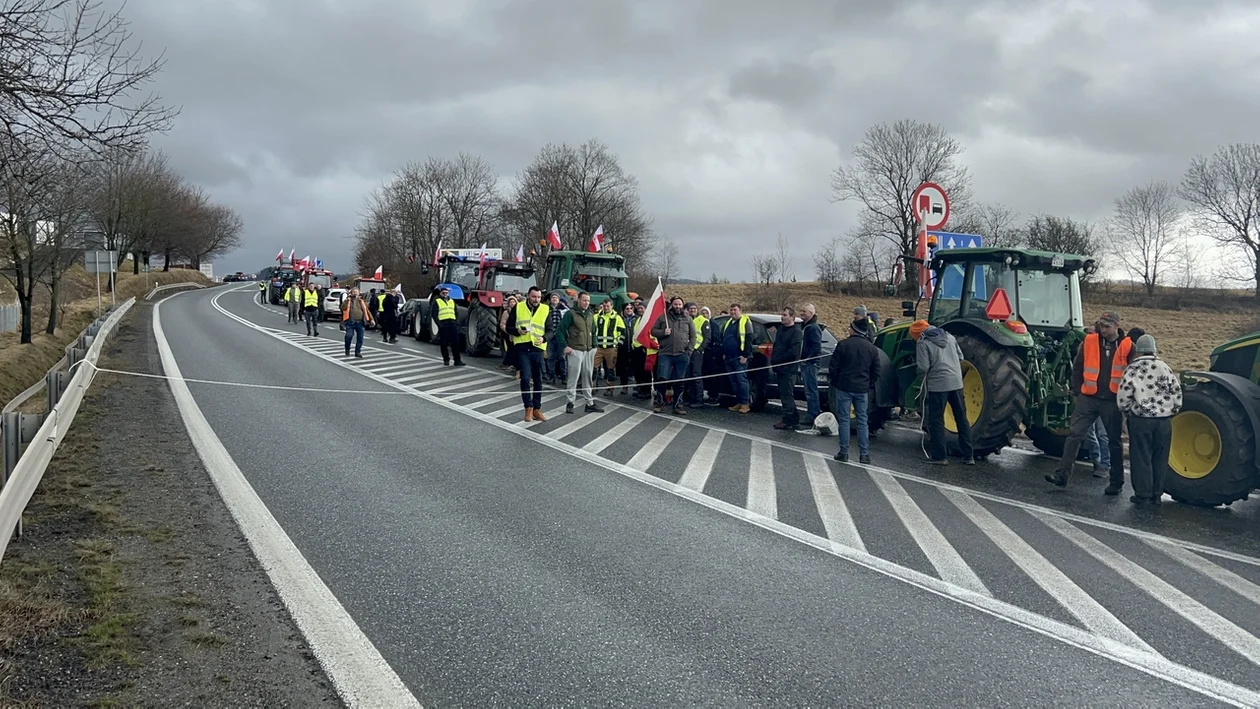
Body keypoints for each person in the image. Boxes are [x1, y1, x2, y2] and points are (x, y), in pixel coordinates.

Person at [1045, 311, 1131, 493]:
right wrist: (1078, 390)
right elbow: (1078, 367)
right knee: (1074, 435)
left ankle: (1116, 482)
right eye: (1102, 325)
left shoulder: (1127, 346)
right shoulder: (1090, 342)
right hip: (1089, 398)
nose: (1104, 330)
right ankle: (1062, 475)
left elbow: (1132, 374)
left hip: (1112, 400)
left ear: (1117, 326)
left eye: (1107, 326)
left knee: (1114, 441)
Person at [1117, 334, 1181, 506]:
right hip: (1163, 421)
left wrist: (1129, 412)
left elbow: (1123, 397)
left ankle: (1143, 494)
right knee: (1160, 457)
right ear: (1154, 349)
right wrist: (1171, 410)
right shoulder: (1164, 367)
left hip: (1141, 420)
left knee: (1141, 457)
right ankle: (1156, 494)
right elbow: (1177, 393)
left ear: (1138, 350)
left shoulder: (1133, 369)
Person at [913, 319, 975, 465]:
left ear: (919, 334)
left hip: (938, 386)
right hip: (957, 383)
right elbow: (961, 357)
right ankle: (969, 456)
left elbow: (923, 366)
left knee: (936, 420)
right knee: (961, 418)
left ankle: (940, 457)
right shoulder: (950, 337)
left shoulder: (923, 342)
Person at [829, 318, 882, 463]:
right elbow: (876, 370)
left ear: (854, 329)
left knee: (844, 420)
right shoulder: (871, 348)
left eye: (850, 327)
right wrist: (868, 383)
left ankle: (844, 452)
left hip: (844, 387)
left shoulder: (843, 345)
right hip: (862, 388)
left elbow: (833, 367)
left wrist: (836, 382)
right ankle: (864, 454)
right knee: (862, 421)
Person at [506, 286, 554, 422]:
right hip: (522, 347)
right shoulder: (519, 307)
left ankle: (537, 409)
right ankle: (528, 407)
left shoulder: (545, 309)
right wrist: (517, 331)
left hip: (537, 348)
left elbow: (551, 330)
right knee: (526, 378)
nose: (536, 300)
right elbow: (509, 326)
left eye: (538, 297)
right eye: (534, 297)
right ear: (528, 296)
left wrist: (544, 338)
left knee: (538, 380)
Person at [557, 292, 604, 414]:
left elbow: (594, 331)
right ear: (578, 300)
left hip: (588, 350)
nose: (586, 303)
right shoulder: (570, 314)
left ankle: (589, 403)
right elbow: (560, 331)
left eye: (588, 301)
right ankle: (570, 402)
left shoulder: (590, 314)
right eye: (584, 300)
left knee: (588, 376)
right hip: (575, 350)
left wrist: (595, 346)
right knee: (573, 377)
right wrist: (565, 346)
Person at [651, 296, 696, 415]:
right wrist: (662, 332)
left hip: (682, 355)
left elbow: (693, 336)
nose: (678, 306)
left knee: (680, 381)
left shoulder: (688, 319)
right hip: (665, 354)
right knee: (662, 379)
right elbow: (653, 331)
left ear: (683, 305)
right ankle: (660, 403)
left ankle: (678, 405)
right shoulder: (663, 317)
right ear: (671, 305)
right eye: (675, 304)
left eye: (680, 304)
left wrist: (689, 350)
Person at [771, 307, 803, 430]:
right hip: (779, 367)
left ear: (792, 317)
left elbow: (793, 352)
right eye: (782, 314)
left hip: (789, 368)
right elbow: (777, 347)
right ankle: (792, 418)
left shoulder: (796, 332)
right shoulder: (781, 330)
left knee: (786, 394)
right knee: (783, 393)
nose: (782, 317)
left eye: (785, 315)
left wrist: (779, 359)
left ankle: (789, 418)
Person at [720, 303, 754, 413]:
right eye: (731, 310)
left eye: (735, 310)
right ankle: (739, 402)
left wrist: (745, 355)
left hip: (739, 358)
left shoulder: (745, 322)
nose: (733, 312)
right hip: (729, 357)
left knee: (741, 381)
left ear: (740, 311)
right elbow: (724, 337)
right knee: (734, 382)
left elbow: (749, 339)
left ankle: (745, 403)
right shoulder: (729, 323)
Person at [592, 299, 625, 398]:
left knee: (610, 370)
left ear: (612, 306)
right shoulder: (596, 317)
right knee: (593, 368)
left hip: (611, 348)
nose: (606, 308)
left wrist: (618, 344)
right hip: (598, 347)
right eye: (604, 306)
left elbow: (622, 332)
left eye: (608, 306)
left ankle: (610, 389)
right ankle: (593, 387)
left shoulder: (617, 317)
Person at [799, 303, 823, 428]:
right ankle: (812, 413)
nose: (802, 313)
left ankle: (813, 415)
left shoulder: (813, 328)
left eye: (804, 311)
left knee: (811, 390)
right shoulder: (806, 327)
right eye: (801, 311)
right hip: (806, 362)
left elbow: (816, 347)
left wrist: (807, 359)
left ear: (811, 313)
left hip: (810, 363)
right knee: (809, 390)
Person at [685, 302, 709, 408]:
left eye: (695, 308)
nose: (693, 310)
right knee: (689, 375)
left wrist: (700, 349)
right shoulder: (686, 320)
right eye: (691, 308)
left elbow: (707, 337)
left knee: (696, 375)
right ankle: (691, 398)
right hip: (687, 351)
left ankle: (699, 399)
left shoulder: (703, 321)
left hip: (697, 352)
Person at [432, 286, 464, 366]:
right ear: (440, 293)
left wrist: (456, 322)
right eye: (443, 293)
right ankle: (446, 359)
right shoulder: (437, 301)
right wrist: (439, 324)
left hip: (452, 323)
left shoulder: (452, 301)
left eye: (446, 293)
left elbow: (456, 312)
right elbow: (434, 314)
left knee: (455, 343)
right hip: (444, 324)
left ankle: (457, 360)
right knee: (444, 343)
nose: (445, 294)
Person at [341, 288, 374, 358]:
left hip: (360, 322)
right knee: (348, 336)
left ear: (359, 293)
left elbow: (367, 311)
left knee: (360, 338)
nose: (355, 293)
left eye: (356, 292)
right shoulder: (348, 300)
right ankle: (347, 348)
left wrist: (371, 319)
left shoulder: (361, 301)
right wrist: (346, 301)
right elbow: (342, 308)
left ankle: (357, 352)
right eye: (354, 292)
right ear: (351, 293)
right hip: (350, 322)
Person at [544, 292, 568, 385]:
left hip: (560, 336)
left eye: (556, 298)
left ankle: (563, 376)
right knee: (550, 357)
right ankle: (551, 376)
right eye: (553, 298)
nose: (554, 299)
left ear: (559, 300)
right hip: (550, 336)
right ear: (550, 300)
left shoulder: (564, 309)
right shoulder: (547, 309)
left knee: (562, 357)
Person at [616, 302, 637, 396]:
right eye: (627, 309)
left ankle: (638, 386)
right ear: (623, 310)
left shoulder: (636, 319)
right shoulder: (619, 319)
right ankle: (624, 386)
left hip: (634, 347)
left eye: (630, 308)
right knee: (622, 368)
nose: (629, 310)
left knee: (636, 368)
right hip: (622, 347)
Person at [499, 293, 519, 373]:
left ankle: (512, 364)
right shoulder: (506, 313)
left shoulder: (518, 312)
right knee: (510, 349)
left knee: (514, 349)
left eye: (513, 302)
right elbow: (502, 323)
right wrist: (507, 330)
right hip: (507, 333)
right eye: (510, 302)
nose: (512, 303)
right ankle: (508, 363)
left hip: (515, 333)